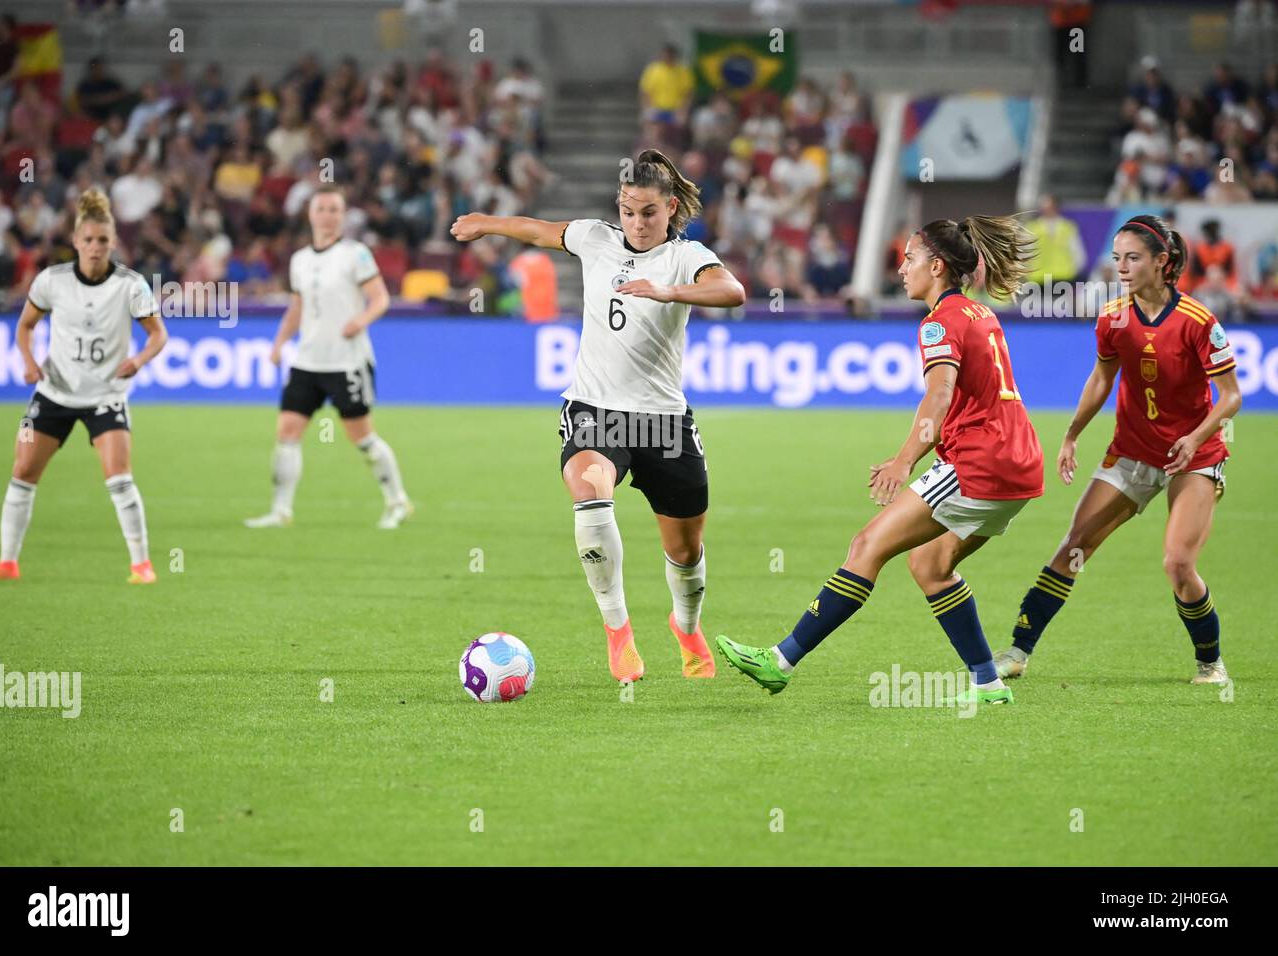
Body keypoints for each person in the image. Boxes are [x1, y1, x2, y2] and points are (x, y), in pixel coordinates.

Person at [715, 216, 1043, 704]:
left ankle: (780, 661)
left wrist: (903, 460)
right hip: (1020, 466)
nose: (901, 267)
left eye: (910, 258)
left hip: (979, 464)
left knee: (867, 545)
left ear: (936, 265)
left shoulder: (939, 324)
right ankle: (987, 682)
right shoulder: (979, 314)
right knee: (930, 566)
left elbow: (939, 395)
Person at [450, 148, 746, 682]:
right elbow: (538, 230)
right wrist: (486, 224)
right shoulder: (595, 238)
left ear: (670, 207)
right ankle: (618, 632)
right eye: (629, 210)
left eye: (649, 212)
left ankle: (686, 626)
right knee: (590, 491)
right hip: (595, 408)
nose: (636, 222)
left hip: (663, 421)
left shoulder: (686, 256)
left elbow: (732, 290)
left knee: (685, 549)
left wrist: (669, 291)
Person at [994, 215, 1241, 685]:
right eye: (1117, 258)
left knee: (1178, 563)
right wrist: (1072, 434)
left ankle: (1210, 663)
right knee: (1072, 548)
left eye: (1133, 258)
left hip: (1193, 457)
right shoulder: (1112, 317)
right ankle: (1018, 653)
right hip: (1130, 453)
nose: (1122, 267)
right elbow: (1102, 378)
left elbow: (1230, 395)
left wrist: (1195, 437)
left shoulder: (1198, 321)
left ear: (1162, 262)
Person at [0, 189, 169, 584]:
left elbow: (158, 335)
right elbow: (25, 326)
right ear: (76, 242)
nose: (96, 247)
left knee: (118, 477)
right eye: (88, 240)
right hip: (54, 394)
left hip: (105, 396)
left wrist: (138, 361)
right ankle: (8, 563)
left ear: (113, 242)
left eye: (103, 240)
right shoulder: (52, 281)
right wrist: (29, 362)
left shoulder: (131, 285)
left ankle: (142, 565)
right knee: (23, 470)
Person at [245, 186, 412, 530]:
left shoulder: (356, 254)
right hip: (308, 360)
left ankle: (398, 501)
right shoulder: (300, 260)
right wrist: (279, 343)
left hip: (346, 360)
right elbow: (297, 306)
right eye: (321, 208)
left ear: (343, 215)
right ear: (310, 214)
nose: (327, 215)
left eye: (334, 209)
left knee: (362, 438)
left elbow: (380, 299)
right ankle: (281, 510)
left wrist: (359, 321)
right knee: (287, 432)